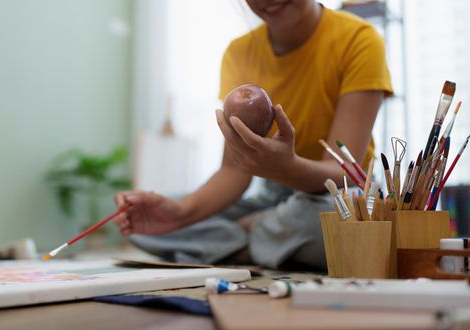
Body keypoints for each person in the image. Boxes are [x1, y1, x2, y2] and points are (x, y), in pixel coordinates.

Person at [114, 0, 393, 270]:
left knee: (329, 225)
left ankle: (245, 236)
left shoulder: (360, 39)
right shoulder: (239, 53)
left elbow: (342, 171)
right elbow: (233, 171)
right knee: (143, 222)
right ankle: (264, 238)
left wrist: (287, 167)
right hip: (273, 197)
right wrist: (179, 213)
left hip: (341, 193)